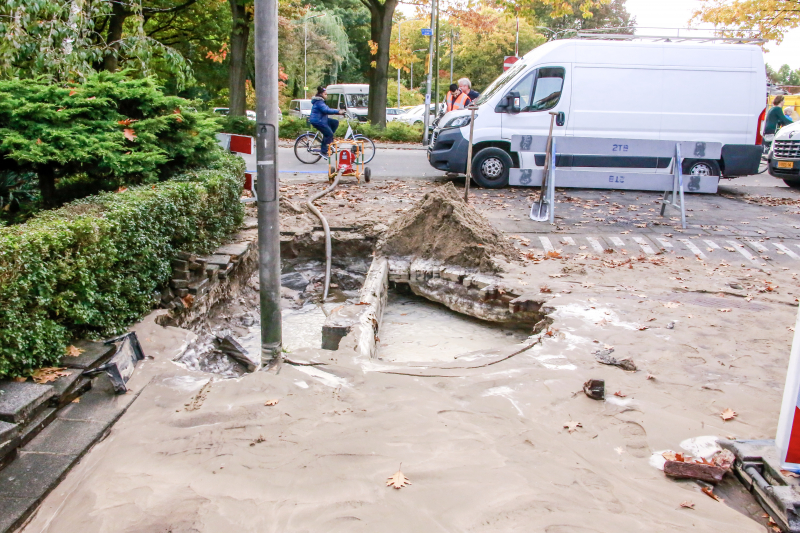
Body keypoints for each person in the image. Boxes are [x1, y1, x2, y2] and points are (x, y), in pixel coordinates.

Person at [309, 86, 344, 159]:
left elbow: (327, 109)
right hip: (318, 121)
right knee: (329, 133)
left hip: (322, 119)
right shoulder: (319, 102)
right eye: (325, 94)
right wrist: (338, 111)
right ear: (321, 94)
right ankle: (323, 151)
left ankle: (329, 140)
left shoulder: (320, 101)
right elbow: (326, 110)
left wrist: (339, 112)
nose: (326, 96)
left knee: (335, 122)